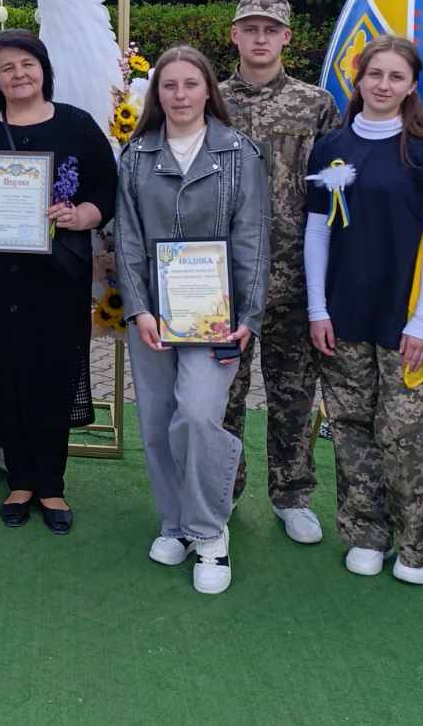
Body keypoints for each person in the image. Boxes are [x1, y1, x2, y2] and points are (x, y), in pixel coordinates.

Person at [115, 45, 269, 594]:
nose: (180, 95)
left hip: (215, 319)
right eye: (169, 85)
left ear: (209, 91)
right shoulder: (136, 157)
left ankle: (209, 532)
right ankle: (174, 523)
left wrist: (249, 315)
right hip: (153, 318)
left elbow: (253, 237)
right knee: (158, 424)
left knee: (199, 416)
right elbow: (127, 239)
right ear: (156, 94)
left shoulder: (240, 154)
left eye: (190, 84)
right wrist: (138, 309)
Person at [305, 36, 423, 585]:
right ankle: (365, 533)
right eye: (375, 74)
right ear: (358, 78)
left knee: (404, 435)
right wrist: (317, 309)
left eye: (396, 77)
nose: (384, 85)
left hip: (404, 319)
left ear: (412, 86)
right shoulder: (332, 147)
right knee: (350, 429)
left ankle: (418, 543)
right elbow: (317, 232)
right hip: (343, 313)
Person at [0, 30, 116, 534]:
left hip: (58, 278)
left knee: (52, 372)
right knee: (3, 373)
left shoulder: (77, 125)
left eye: (27, 63)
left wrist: (82, 215)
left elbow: (106, 190)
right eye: (7, 67)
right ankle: (19, 479)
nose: (19, 74)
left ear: (44, 68)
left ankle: (51, 484)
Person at [218, 0, 340, 545]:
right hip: (226, 278)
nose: (260, 38)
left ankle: (292, 495)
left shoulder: (315, 104)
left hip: (294, 273)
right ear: (235, 35)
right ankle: (223, 489)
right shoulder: (211, 99)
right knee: (224, 394)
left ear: (287, 37)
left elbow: (333, 191)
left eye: (271, 29)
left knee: (293, 394)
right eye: (251, 28)